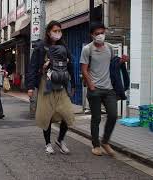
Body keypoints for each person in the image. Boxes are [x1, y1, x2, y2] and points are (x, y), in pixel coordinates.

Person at [26, 21, 75, 155]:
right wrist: (30, 87)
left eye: (59, 30)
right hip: (45, 84)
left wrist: (74, 84)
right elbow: (32, 67)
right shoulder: (40, 47)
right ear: (48, 32)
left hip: (61, 85)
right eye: (55, 30)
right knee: (45, 114)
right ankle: (48, 143)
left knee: (68, 113)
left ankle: (60, 140)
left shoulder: (63, 46)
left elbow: (71, 66)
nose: (57, 33)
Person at [80, 22, 128, 157]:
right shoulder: (87, 49)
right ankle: (95, 145)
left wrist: (122, 61)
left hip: (109, 89)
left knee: (113, 115)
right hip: (94, 89)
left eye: (102, 33)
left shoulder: (109, 48)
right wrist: (91, 85)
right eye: (97, 34)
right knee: (96, 118)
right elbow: (83, 69)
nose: (100, 35)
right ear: (92, 35)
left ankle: (105, 141)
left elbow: (113, 65)